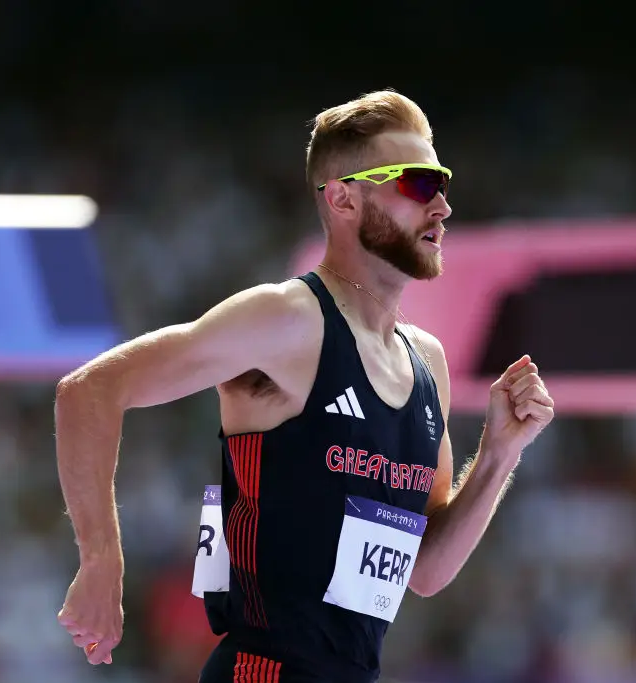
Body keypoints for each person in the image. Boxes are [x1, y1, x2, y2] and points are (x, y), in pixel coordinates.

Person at [55, 89, 555, 682]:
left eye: (442, 182)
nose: (442, 205)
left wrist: (500, 454)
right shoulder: (287, 321)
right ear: (344, 198)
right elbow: (89, 390)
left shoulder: (428, 363)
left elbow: (426, 570)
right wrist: (100, 559)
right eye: (418, 184)